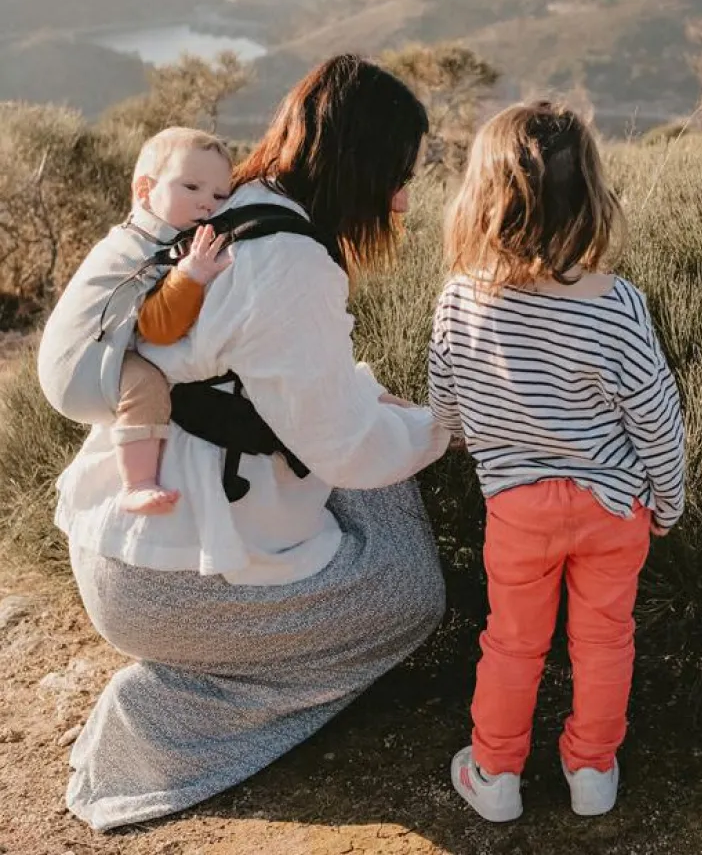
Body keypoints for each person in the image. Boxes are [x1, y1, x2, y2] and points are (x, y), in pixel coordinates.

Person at [42, 55, 450, 831]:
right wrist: (444, 426)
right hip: (168, 587)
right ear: (359, 165)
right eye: (397, 175)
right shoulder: (292, 261)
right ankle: (171, 714)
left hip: (120, 541)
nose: (401, 199)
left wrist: (373, 402)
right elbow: (349, 449)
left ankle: (212, 666)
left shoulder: (242, 203)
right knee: (411, 598)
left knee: (378, 435)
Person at [428, 101, 686, 822]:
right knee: (604, 641)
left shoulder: (459, 300)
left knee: (513, 642)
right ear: (588, 196)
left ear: (484, 196)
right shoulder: (617, 303)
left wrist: (456, 436)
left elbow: (444, 403)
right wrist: (668, 500)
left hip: (518, 508)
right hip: (613, 507)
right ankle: (592, 770)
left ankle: (496, 773)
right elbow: (656, 417)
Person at [41, 127, 234, 516]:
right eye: (191, 187)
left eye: (219, 195)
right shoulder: (150, 247)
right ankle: (138, 483)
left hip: (73, 360)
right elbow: (159, 327)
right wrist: (191, 276)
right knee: (147, 386)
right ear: (145, 190)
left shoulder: (143, 234)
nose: (206, 204)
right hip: (81, 368)